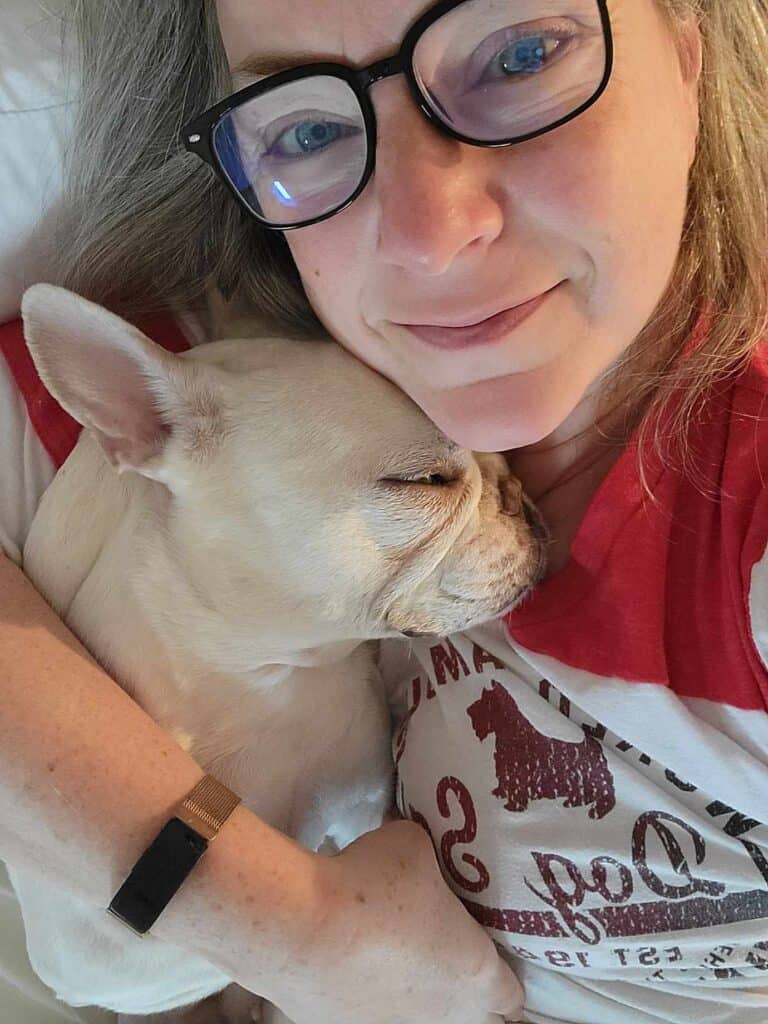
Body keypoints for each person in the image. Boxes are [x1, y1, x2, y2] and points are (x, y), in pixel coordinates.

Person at [0, 1, 766, 1023]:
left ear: (687, 54)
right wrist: (290, 929)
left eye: (522, 55)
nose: (426, 231)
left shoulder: (741, 505)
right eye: (308, 127)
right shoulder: (220, 384)